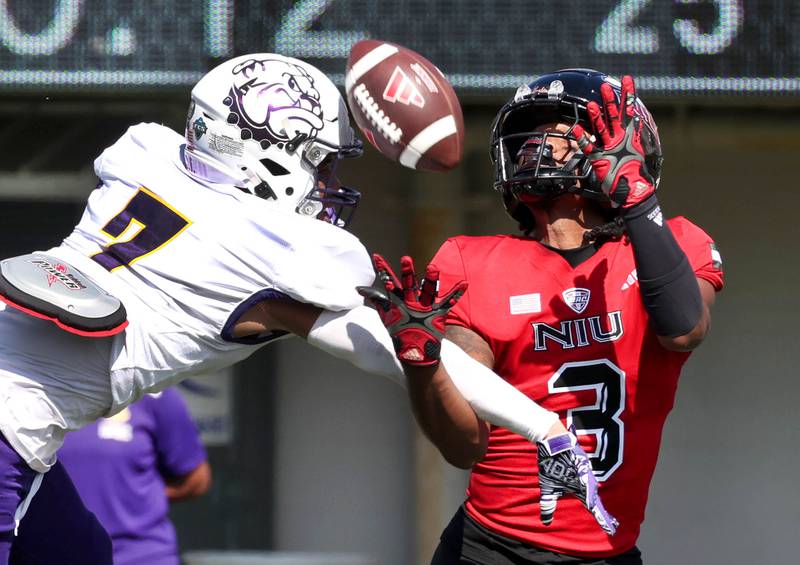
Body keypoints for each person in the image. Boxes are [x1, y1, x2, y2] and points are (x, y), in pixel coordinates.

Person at [0, 54, 597, 564]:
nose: (325, 183)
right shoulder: (279, 251)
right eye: (318, 161)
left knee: (76, 552)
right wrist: (545, 428)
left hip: (23, 421)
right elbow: (390, 346)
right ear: (267, 151)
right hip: (12, 434)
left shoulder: (143, 154)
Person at [361, 69, 724, 564]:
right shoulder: (472, 261)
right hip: (488, 548)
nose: (536, 143)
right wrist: (423, 367)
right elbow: (463, 446)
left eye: (558, 128)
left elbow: (684, 329)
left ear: (621, 142)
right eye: (530, 131)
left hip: (606, 551)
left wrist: (638, 201)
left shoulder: (672, 243)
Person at [58, 387, 211, 565]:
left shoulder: (153, 391)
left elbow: (197, 479)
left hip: (140, 555)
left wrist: (144, 498)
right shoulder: (32, 386)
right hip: (55, 553)